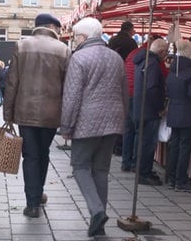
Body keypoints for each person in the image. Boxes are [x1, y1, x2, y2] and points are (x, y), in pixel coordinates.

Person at [60, 17, 128, 237]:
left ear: (83, 37)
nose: (74, 40)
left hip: (86, 123)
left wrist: (66, 127)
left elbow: (72, 96)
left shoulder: (78, 58)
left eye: (75, 37)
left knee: (80, 167)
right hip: (113, 122)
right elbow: (124, 92)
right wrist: (123, 119)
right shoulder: (116, 58)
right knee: (101, 170)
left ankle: (97, 210)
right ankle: (98, 224)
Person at [4, 13, 71, 218]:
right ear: (51, 26)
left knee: (30, 156)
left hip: (25, 112)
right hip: (52, 113)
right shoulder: (64, 50)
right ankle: (38, 191)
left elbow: (12, 82)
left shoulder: (22, 46)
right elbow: (69, 87)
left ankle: (32, 203)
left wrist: (8, 114)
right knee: (43, 153)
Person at [166, 40, 191, 192]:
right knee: (184, 148)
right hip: (188, 113)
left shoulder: (173, 69)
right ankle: (180, 180)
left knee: (174, 146)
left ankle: (170, 178)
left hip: (174, 111)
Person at [133, 38, 168, 186]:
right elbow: (152, 88)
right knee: (148, 143)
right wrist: (160, 107)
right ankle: (144, 173)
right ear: (161, 51)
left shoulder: (143, 60)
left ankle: (142, 169)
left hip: (140, 107)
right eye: (166, 52)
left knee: (143, 141)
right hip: (149, 109)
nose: (166, 55)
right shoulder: (153, 64)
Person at [108, 21, 138, 156]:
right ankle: (121, 147)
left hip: (111, 78)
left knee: (114, 115)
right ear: (130, 30)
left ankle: (114, 145)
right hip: (125, 79)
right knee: (125, 116)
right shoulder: (131, 43)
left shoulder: (112, 40)